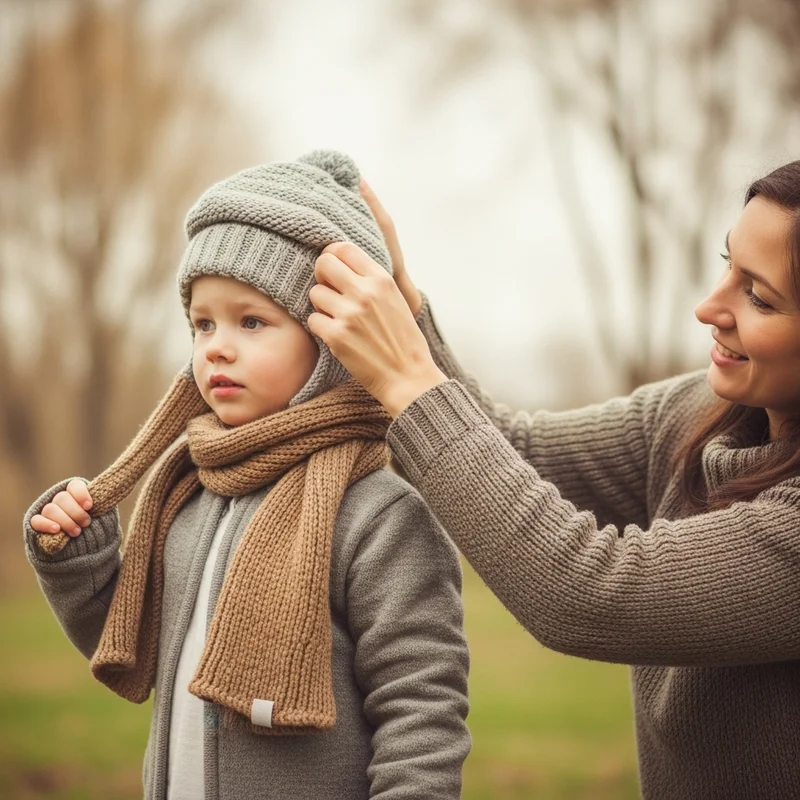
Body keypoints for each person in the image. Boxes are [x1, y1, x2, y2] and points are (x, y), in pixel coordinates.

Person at [306, 160, 800, 799]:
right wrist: (407, 311)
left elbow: (588, 593)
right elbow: (518, 454)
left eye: (758, 296)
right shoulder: (694, 416)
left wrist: (407, 380)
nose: (709, 307)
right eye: (727, 263)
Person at [22, 151, 470, 800]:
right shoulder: (186, 490)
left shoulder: (379, 514)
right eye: (202, 324)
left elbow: (422, 715)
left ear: (333, 343)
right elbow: (130, 642)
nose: (217, 347)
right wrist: (79, 562)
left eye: (252, 321)